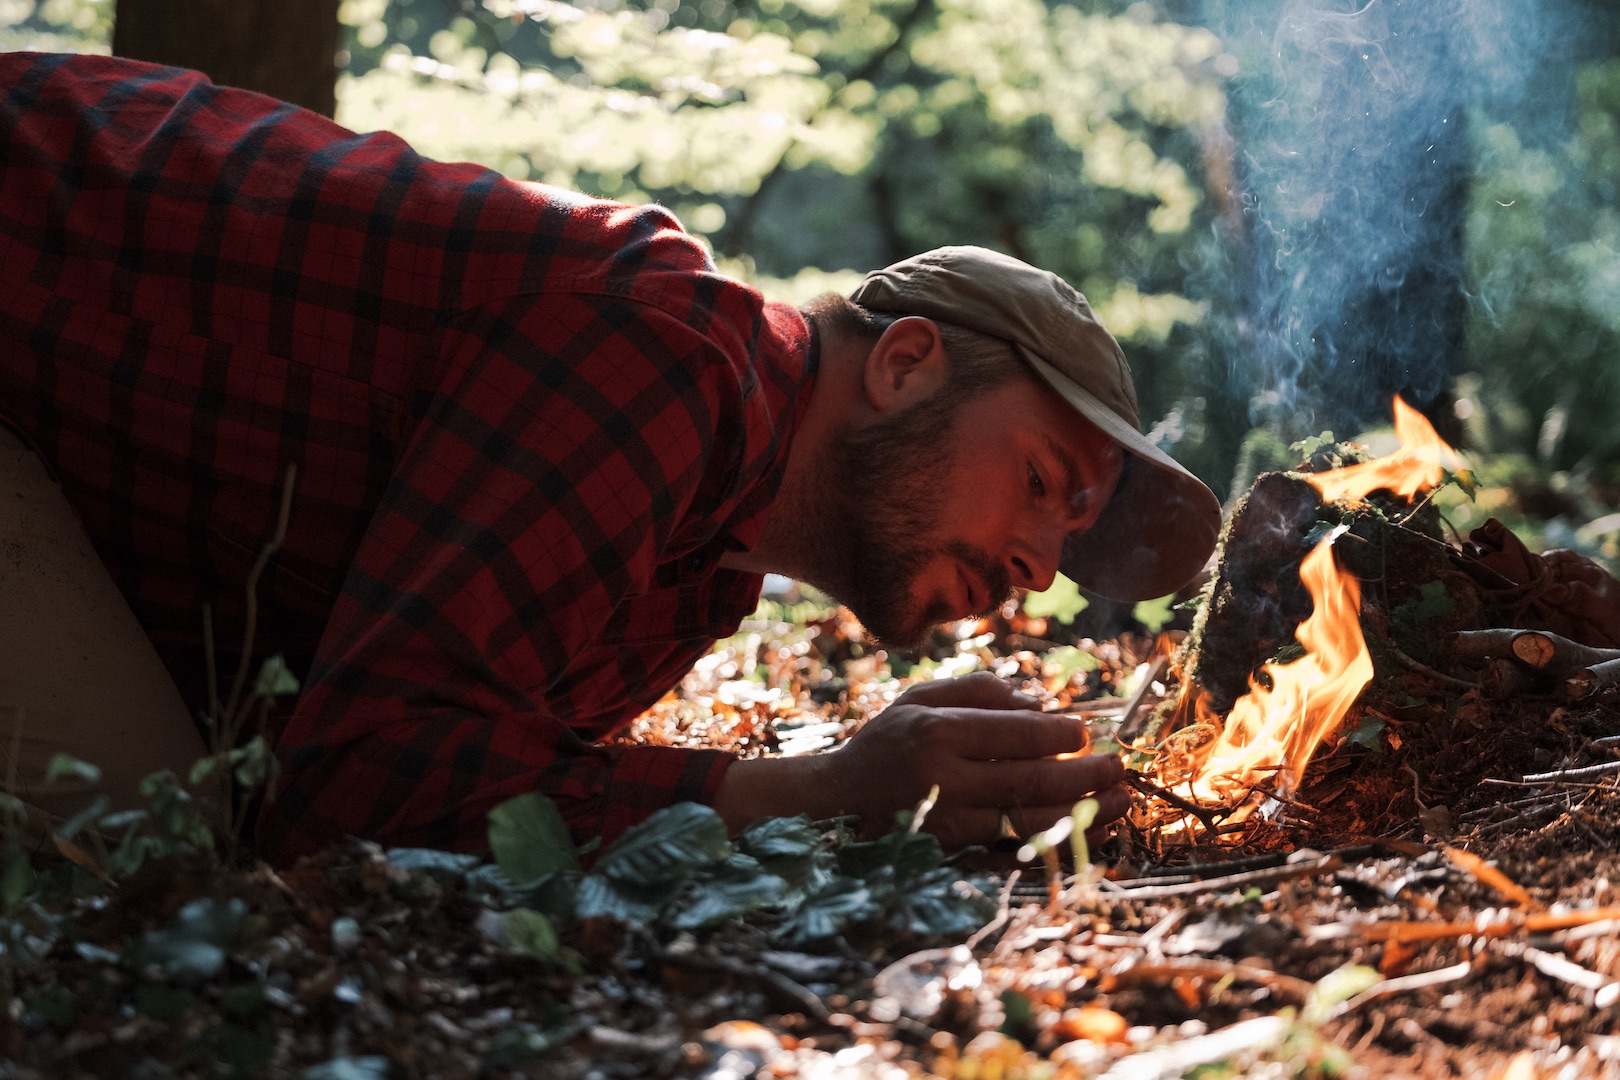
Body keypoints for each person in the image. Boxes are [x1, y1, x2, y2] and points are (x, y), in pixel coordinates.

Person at [0, 51, 1221, 865]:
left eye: (1064, 545)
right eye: (1044, 485)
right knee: (154, 838)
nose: (1041, 567)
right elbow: (343, 792)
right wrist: (830, 787)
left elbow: (467, 768)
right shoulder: (664, 353)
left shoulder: (701, 577)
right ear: (903, 364)